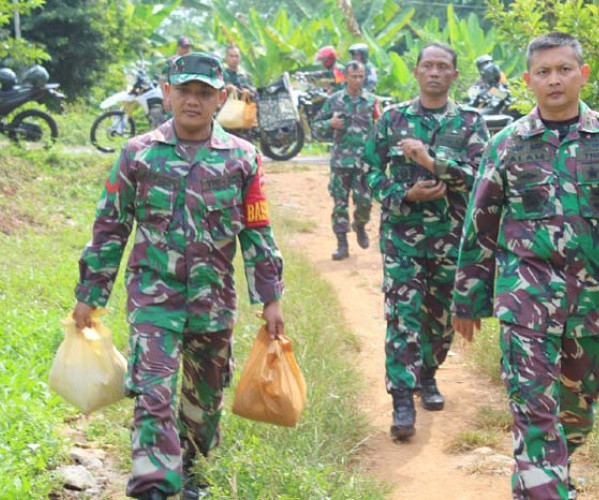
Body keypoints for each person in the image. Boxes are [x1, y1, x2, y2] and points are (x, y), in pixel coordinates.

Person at [452, 32, 599, 500]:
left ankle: (540, 479)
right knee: (535, 414)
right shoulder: (508, 144)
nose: (554, 80)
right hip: (526, 302)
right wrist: (468, 298)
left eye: (564, 69)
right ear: (528, 80)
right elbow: (481, 224)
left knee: (578, 415)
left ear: (582, 74)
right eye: (543, 72)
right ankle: (546, 487)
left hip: (592, 305)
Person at [72, 52, 285, 500]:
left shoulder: (243, 159)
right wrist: (90, 294)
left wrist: (271, 299)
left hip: (213, 303)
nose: (193, 100)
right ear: (167, 93)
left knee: (203, 403)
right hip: (154, 301)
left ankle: (189, 471)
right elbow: (111, 226)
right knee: (153, 393)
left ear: (220, 99)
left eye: (204, 93)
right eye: (184, 90)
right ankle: (153, 485)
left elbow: (257, 232)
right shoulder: (137, 154)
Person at [363, 42, 489, 440]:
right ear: (416, 72)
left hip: (450, 239)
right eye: (428, 66)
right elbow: (366, 169)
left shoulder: (470, 122)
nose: (434, 72)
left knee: (439, 315)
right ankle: (401, 398)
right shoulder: (393, 120)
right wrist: (403, 193)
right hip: (402, 238)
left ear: (454, 75)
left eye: (443, 67)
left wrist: (431, 163)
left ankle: (428, 376)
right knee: (403, 316)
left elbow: (479, 177)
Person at [313, 61, 381, 260]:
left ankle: (360, 225)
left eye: (361, 76)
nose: (358, 80)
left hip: (363, 162)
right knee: (339, 204)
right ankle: (342, 244)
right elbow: (316, 126)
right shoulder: (334, 100)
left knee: (364, 202)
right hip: (341, 162)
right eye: (354, 76)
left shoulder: (371, 101)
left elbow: (381, 127)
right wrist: (330, 123)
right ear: (346, 77)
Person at [160, 36, 194, 113]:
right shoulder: (171, 62)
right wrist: (166, 98)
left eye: (188, 47)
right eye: (184, 47)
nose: (186, 50)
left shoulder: (192, 62)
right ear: (178, 47)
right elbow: (162, 80)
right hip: (174, 94)